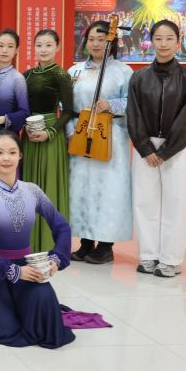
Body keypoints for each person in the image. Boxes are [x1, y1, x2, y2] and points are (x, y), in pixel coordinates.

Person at [0, 131, 108, 348]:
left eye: (12, 152)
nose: (6, 158)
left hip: (30, 269)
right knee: (4, 329)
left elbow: (62, 227)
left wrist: (56, 259)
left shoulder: (32, 191)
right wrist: (13, 271)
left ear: (20, 155)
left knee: (47, 319)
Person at [128, 20, 186, 278]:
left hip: (176, 149)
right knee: (144, 201)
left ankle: (171, 258)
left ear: (178, 42)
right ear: (151, 41)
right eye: (158, 38)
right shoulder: (139, 77)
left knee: (179, 202)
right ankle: (149, 255)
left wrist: (166, 151)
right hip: (145, 148)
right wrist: (145, 148)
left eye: (169, 38)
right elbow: (133, 114)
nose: (163, 44)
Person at [68, 20, 134, 265]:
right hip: (81, 133)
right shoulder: (74, 71)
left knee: (107, 191)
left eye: (101, 39)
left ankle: (105, 246)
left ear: (111, 41)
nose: (95, 43)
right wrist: (70, 130)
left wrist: (111, 104)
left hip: (110, 135)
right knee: (82, 189)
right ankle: (85, 242)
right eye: (91, 39)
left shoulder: (123, 71)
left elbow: (132, 102)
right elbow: (65, 104)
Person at [22, 29, 74, 253]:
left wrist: (50, 132)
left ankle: (50, 241)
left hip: (51, 133)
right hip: (30, 133)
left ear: (57, 48)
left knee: (49, 185)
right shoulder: (26, 75)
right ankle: (29, 239)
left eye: (48, 45)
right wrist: (25, 126)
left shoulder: (61, 74)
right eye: (39, 45)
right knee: (29, 185)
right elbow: (22, 107)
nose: (43, 50)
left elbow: (69, 111)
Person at [0, 29, 31, 168]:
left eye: (10, 46)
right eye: (1, 45)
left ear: (17, 50)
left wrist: (1, 119)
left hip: (5, 136)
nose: (5, 50)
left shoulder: (17, 78)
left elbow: (25, 113)